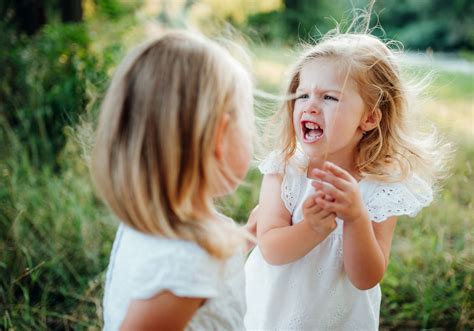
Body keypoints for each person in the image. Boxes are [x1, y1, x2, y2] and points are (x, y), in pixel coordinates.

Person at [245, 31, 449, 330]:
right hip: (275, 316)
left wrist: (355, 219)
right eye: (303, 95)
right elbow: (271, 249)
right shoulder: (285, 170)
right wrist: (311, 228)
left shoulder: (380, 187)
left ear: (369, 119)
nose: (310, 106)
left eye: (329, 97)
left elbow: (366, 278)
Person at [91, 30, 254, 330]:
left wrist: (247, 235)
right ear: (219, 135)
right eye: (248, 118)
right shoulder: (188, 261)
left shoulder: (157, 224)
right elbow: (189, 269)